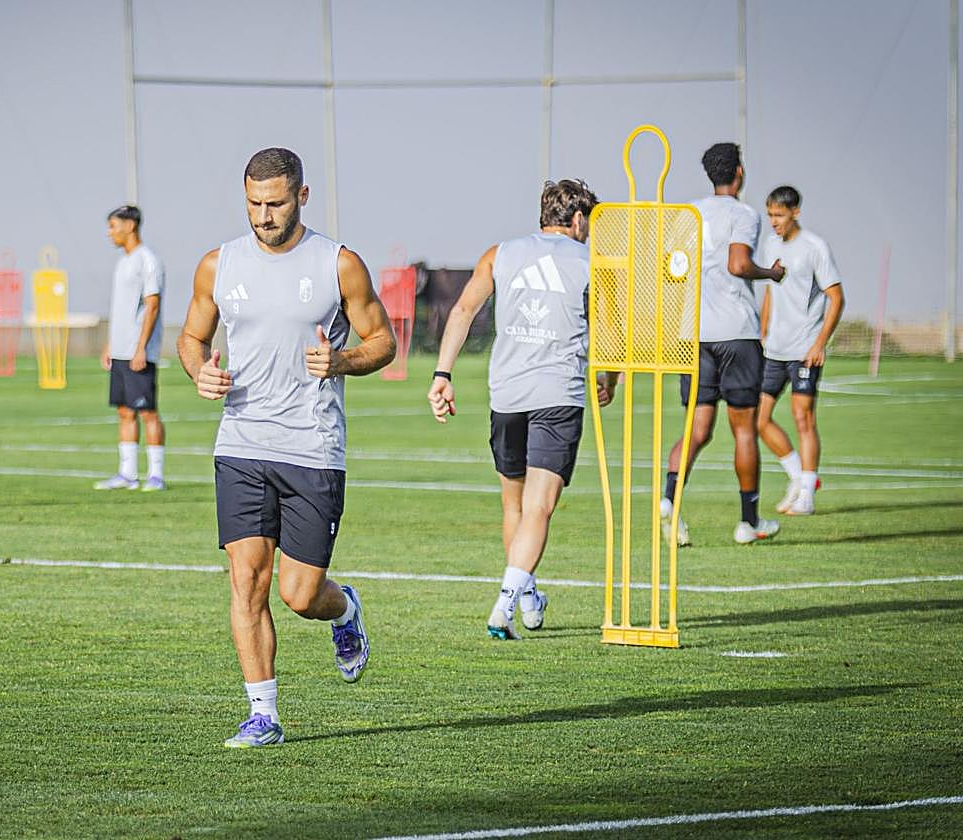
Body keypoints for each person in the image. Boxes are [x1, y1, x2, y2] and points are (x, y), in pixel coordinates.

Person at [176, 148, 396, 748]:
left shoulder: (338, 264)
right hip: (241, 443)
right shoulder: (218, 265)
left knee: (298, 594)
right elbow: (192, 337)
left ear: (301, 197)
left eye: (274, 204)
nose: (263, 216)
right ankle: (263, 714)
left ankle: (343, 610)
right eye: (253, 204)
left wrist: (342, 360)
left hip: (312, 448)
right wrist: (200, 371)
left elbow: (383, 341)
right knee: (246, 581)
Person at [427, 179, 618, 640]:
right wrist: (609, 379)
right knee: (539, 508)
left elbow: (462, 311)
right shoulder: (594, 262)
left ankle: (528, 595)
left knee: (513, 504)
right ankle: (505, 603)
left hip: (507, 395)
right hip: (558, 395)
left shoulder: (500, 253)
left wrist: (442, 374)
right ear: (578, 219)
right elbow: (611, 332)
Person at [659, 143, 787, 546]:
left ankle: (668, 500)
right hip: (735, 331)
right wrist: (771, 274)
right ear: (739, 172)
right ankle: (749, 523)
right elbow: (738, 264)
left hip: (695, 333)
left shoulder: (689, 213)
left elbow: (672, 270)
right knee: (744, 429)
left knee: (696, 429)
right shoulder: (743, 214)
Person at [756, 185, 844, 515]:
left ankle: (807, 495)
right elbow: (770, 292)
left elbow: (837, 298)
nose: (774, 221)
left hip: (804, 350)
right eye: (770, 215)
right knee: (758, 420)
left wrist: (819, 344)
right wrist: (762, 332)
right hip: (774, 350)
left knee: (802, 418)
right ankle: (797, 477)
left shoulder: (815, 247)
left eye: (779, 215)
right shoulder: (769, 245)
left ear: (795, 212)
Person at [94, 205, 167, 492]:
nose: (109, 232)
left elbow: (152, 306)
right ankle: (127, 474)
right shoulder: (123, 262)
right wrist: (110, 345)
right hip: (121, 351)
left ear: (130, 226)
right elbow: (122, 310)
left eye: (113, 226)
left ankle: (156, 475)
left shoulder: (148, 260)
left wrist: (141, 349)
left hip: (139, 352)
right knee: (124, 411)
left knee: (148, 412)